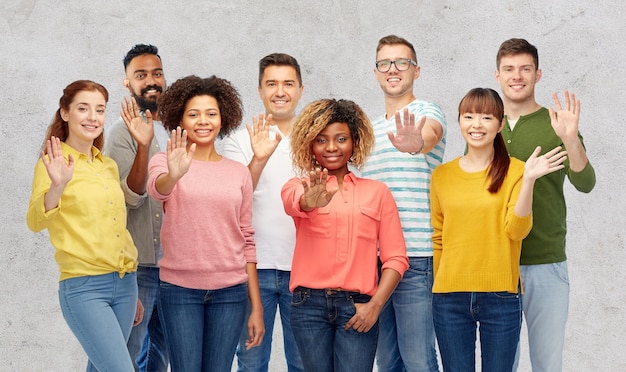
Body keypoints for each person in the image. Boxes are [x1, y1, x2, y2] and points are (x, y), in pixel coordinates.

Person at [430, 87, 567, 372]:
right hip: (449, 297)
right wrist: (440, 286)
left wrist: (528, 180)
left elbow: (516, 231)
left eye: (486, 117)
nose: (476, 125)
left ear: (500, 124)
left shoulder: (517, 170)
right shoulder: (441, 176)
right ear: (459, 122)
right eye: (468, 116)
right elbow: (439, 237)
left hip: (501, 296)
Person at [145, 75, 264, 371]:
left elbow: (247, 239)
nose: (203, 121)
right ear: (180, 120)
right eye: (194, 114)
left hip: (231, 292)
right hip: (180, 289)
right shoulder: (165, 160)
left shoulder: (238, 173)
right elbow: (157, 189)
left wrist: (257, 307)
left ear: (223, 119)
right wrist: (175, 173)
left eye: (211, 114)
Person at [281, 98, 409, 372]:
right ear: (309, 144)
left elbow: (396, 258)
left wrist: (375, 306)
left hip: (358, 308)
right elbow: (294, 202)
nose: (331, 147)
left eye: (341, 139)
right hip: (308, 307)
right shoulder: (299, 185)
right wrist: (309, 201)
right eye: (321, 140)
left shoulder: (377, 192)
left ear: (354, 142)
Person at [494, 38, 596, 372]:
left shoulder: (556, 124)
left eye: (525, 68)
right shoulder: (484, 126)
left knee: (547, 363)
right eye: (509, 69)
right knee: (500, 364)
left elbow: (585, 183)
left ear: (538, 74)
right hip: (497, 265)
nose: (517, 76)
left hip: (545, 263)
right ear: (498, 75)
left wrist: (570, 139)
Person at [26, 80, 143, 371]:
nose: (93, 117)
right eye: (83, 108)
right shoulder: (52, 163)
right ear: (65, 113)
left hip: (125, 284)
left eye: (100, 110)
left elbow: (117, 226)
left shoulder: (107, 165)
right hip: (84, 287)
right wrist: (57, 186)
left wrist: (133, 288)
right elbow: (35, 221)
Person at [361, 34, 445, 372]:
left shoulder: (425, 111)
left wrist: (415, 143)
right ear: (376, 72)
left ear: (416, 70)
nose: (393, 69)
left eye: (402, 62)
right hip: (374, 260)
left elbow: (431, 135)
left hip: (415, 256)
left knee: (419, 360)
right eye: (385, 63)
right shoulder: (367, 129)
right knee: (388, 362)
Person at [222, 53, 304, 372]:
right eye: (271, 83)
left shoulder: (316, 140)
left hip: (304, 271)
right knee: (252, 363)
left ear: (299, 89)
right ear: (259, 90)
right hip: (251, 272)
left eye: (287, 83)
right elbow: (232, 198)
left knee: (305, 363)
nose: (279, 91)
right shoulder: (240, 141)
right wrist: (258, 158)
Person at [105, 43, 169, 372]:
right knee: (125, 358)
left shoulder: (171, 130)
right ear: (127, 83)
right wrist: (142, 147)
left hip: (170, 269)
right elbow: (129, 197)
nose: (151, 80)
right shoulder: (121, 134)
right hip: (138, 269)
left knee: (157, 360)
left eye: (157, 73)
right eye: (140, 74)